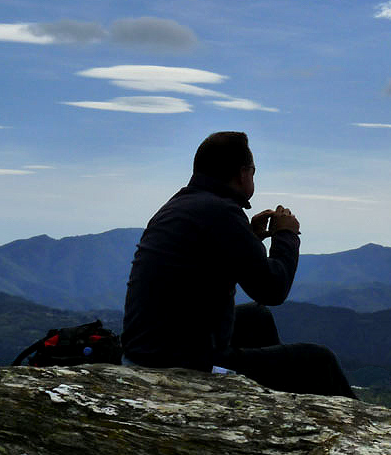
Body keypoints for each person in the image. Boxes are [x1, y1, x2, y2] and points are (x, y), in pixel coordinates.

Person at [121, 131, 356, 398]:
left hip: (146, 351)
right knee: (319, 362)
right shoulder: (220, 212)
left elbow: (212, 264)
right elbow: (273, 289)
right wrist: (286, 235)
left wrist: (251, 238)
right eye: (253, 171)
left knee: (257, 318)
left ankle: (273, 404)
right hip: (183, 364)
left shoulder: (180, 206)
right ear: (243, 173)